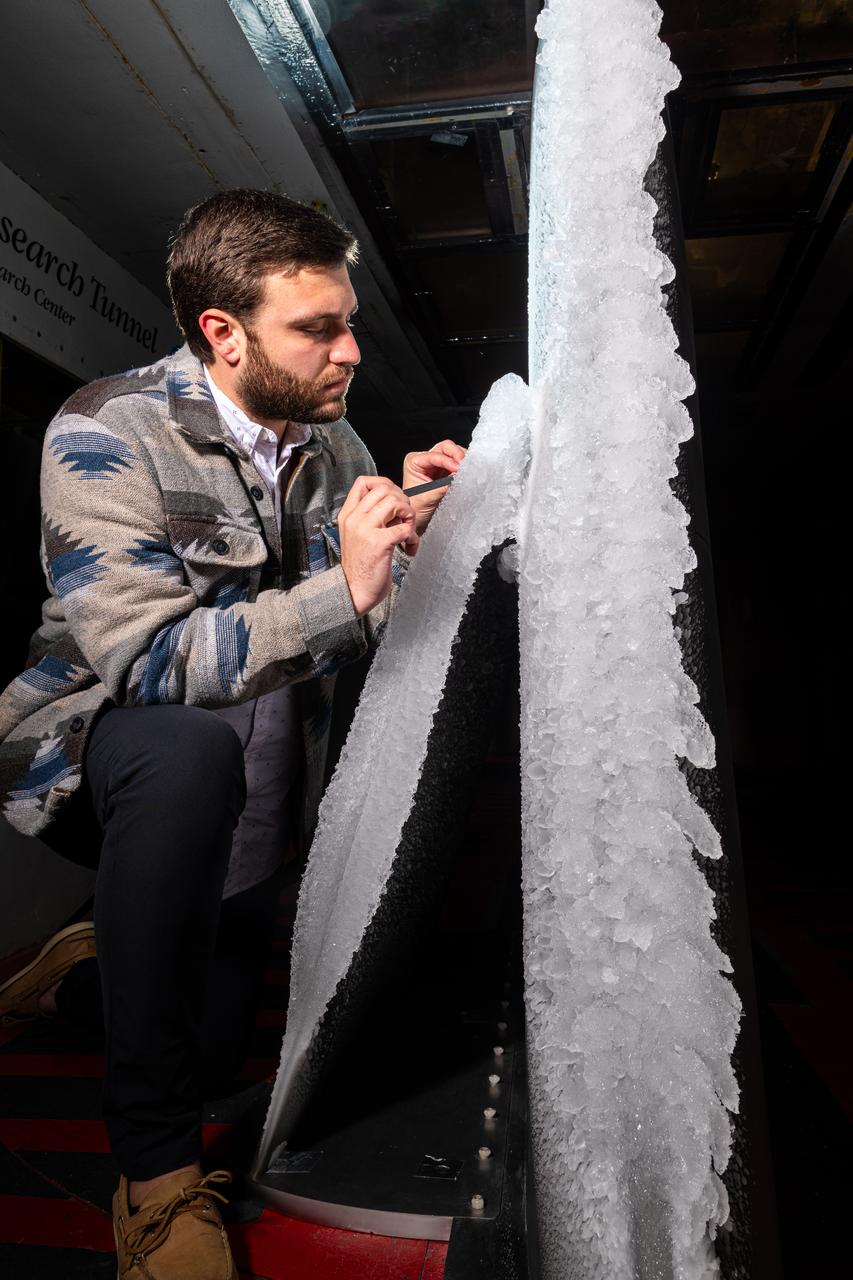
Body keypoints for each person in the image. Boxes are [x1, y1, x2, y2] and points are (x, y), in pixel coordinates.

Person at [0, 189, 464, 1279]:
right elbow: (153, 666)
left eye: (347, 320)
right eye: (318, 328)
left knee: (204, 1051)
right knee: (186, 750)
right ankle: (155, 1183)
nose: (351, 349)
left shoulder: (334, 437)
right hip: (102, 752)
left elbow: (361, 609)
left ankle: (93, 962)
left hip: (263, 787)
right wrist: (344, 591)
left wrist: (410, 525)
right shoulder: (105, 429)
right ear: (223, 330)